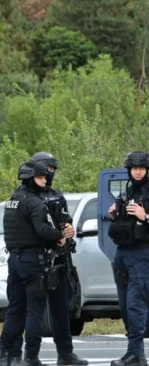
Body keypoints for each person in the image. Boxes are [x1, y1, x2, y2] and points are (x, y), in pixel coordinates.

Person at [107, 152, 149, 366]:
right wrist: (115, 214)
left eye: (141, 168)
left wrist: (144, 216)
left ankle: (134, 354)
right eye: (134, 168)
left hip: (142, 255)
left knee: (136, 306)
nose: (137, 171)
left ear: (147, 170)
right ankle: (138, 355)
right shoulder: (126, 193)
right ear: (129, 170)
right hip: (122, 254)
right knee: (125, 306)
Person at [0, 161, 72, 366]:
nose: (44, 181)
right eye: (40, 178)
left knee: (15, 310)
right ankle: (30, 356)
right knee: (35, 311)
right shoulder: (35, 203)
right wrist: (60, 236)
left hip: (15, 260)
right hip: (33, 262)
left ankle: (7, 354)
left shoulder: (13, 199)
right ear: (30, 179)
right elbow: (43, 231)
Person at [24, 152, 88, 366]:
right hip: (39, 261)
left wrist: (68, 229)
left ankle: (66, 354)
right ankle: (31, 356)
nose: (48, 174)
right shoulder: (27, 197)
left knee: (62, 310)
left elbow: (65, 220)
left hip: (60, 260)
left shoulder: (57, 195)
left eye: (52, 170)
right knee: (36, 312)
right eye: (45, 170)